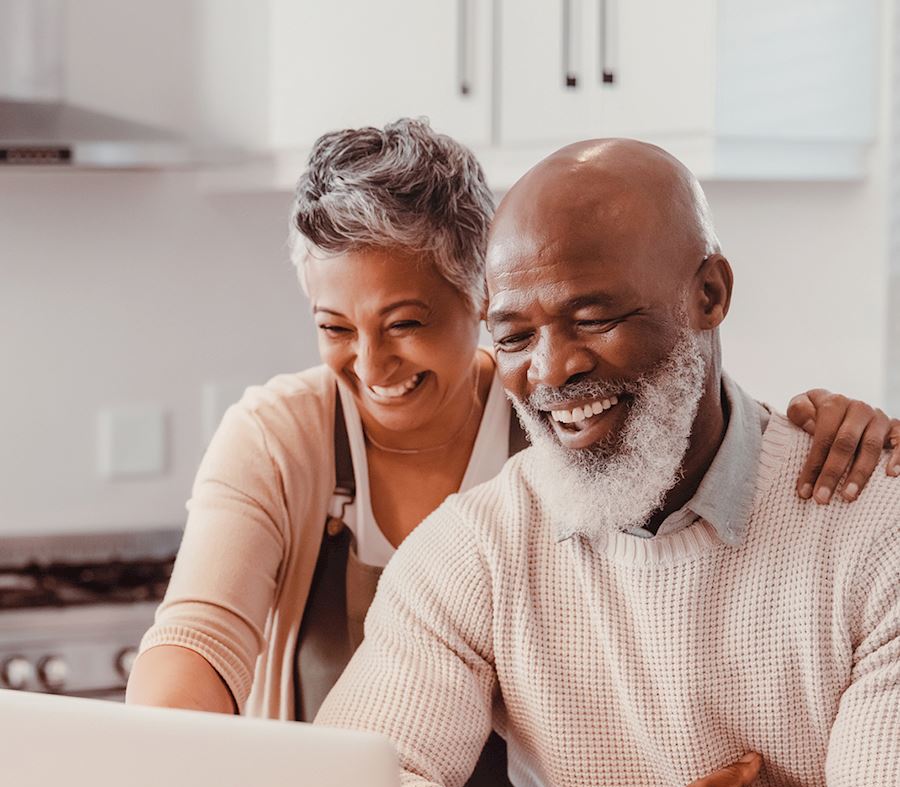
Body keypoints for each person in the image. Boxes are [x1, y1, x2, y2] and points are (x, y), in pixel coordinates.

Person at [316, 139, 900, 787]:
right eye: (512, 335)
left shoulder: (874, 529)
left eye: (593, 317)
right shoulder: (478, 543)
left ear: (708, 294)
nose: (550, 371)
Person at [128, 118, 897, 726]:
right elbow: (197, 638)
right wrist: (165, 764)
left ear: (478, 303)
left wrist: (816, 426)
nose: (372, 365)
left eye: (404, 324)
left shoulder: (561, 423)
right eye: (334, 328)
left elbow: (689, 411)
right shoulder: (283, 437)